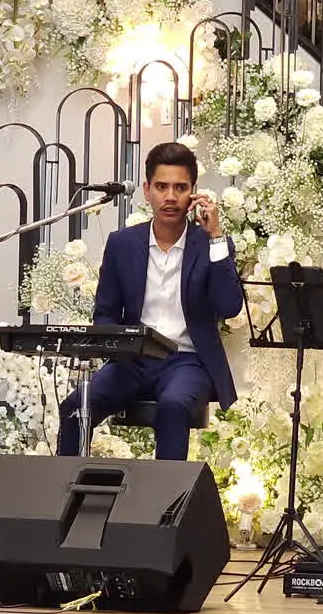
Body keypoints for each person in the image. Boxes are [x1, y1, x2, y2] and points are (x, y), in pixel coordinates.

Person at [57, 141, 243, 460]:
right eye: (161, 186)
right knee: (75, 406)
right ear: (147, 190)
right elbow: (105, 315)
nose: (170, 197)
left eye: (180, 187)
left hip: (188, 362)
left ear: (194, 193)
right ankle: (64, 500)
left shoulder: (208, 245)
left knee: (173, 406)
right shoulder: (123, 244)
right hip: (134, 359)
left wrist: (216, 237)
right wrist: (120, 353)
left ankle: (165, 508)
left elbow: (229, 307)